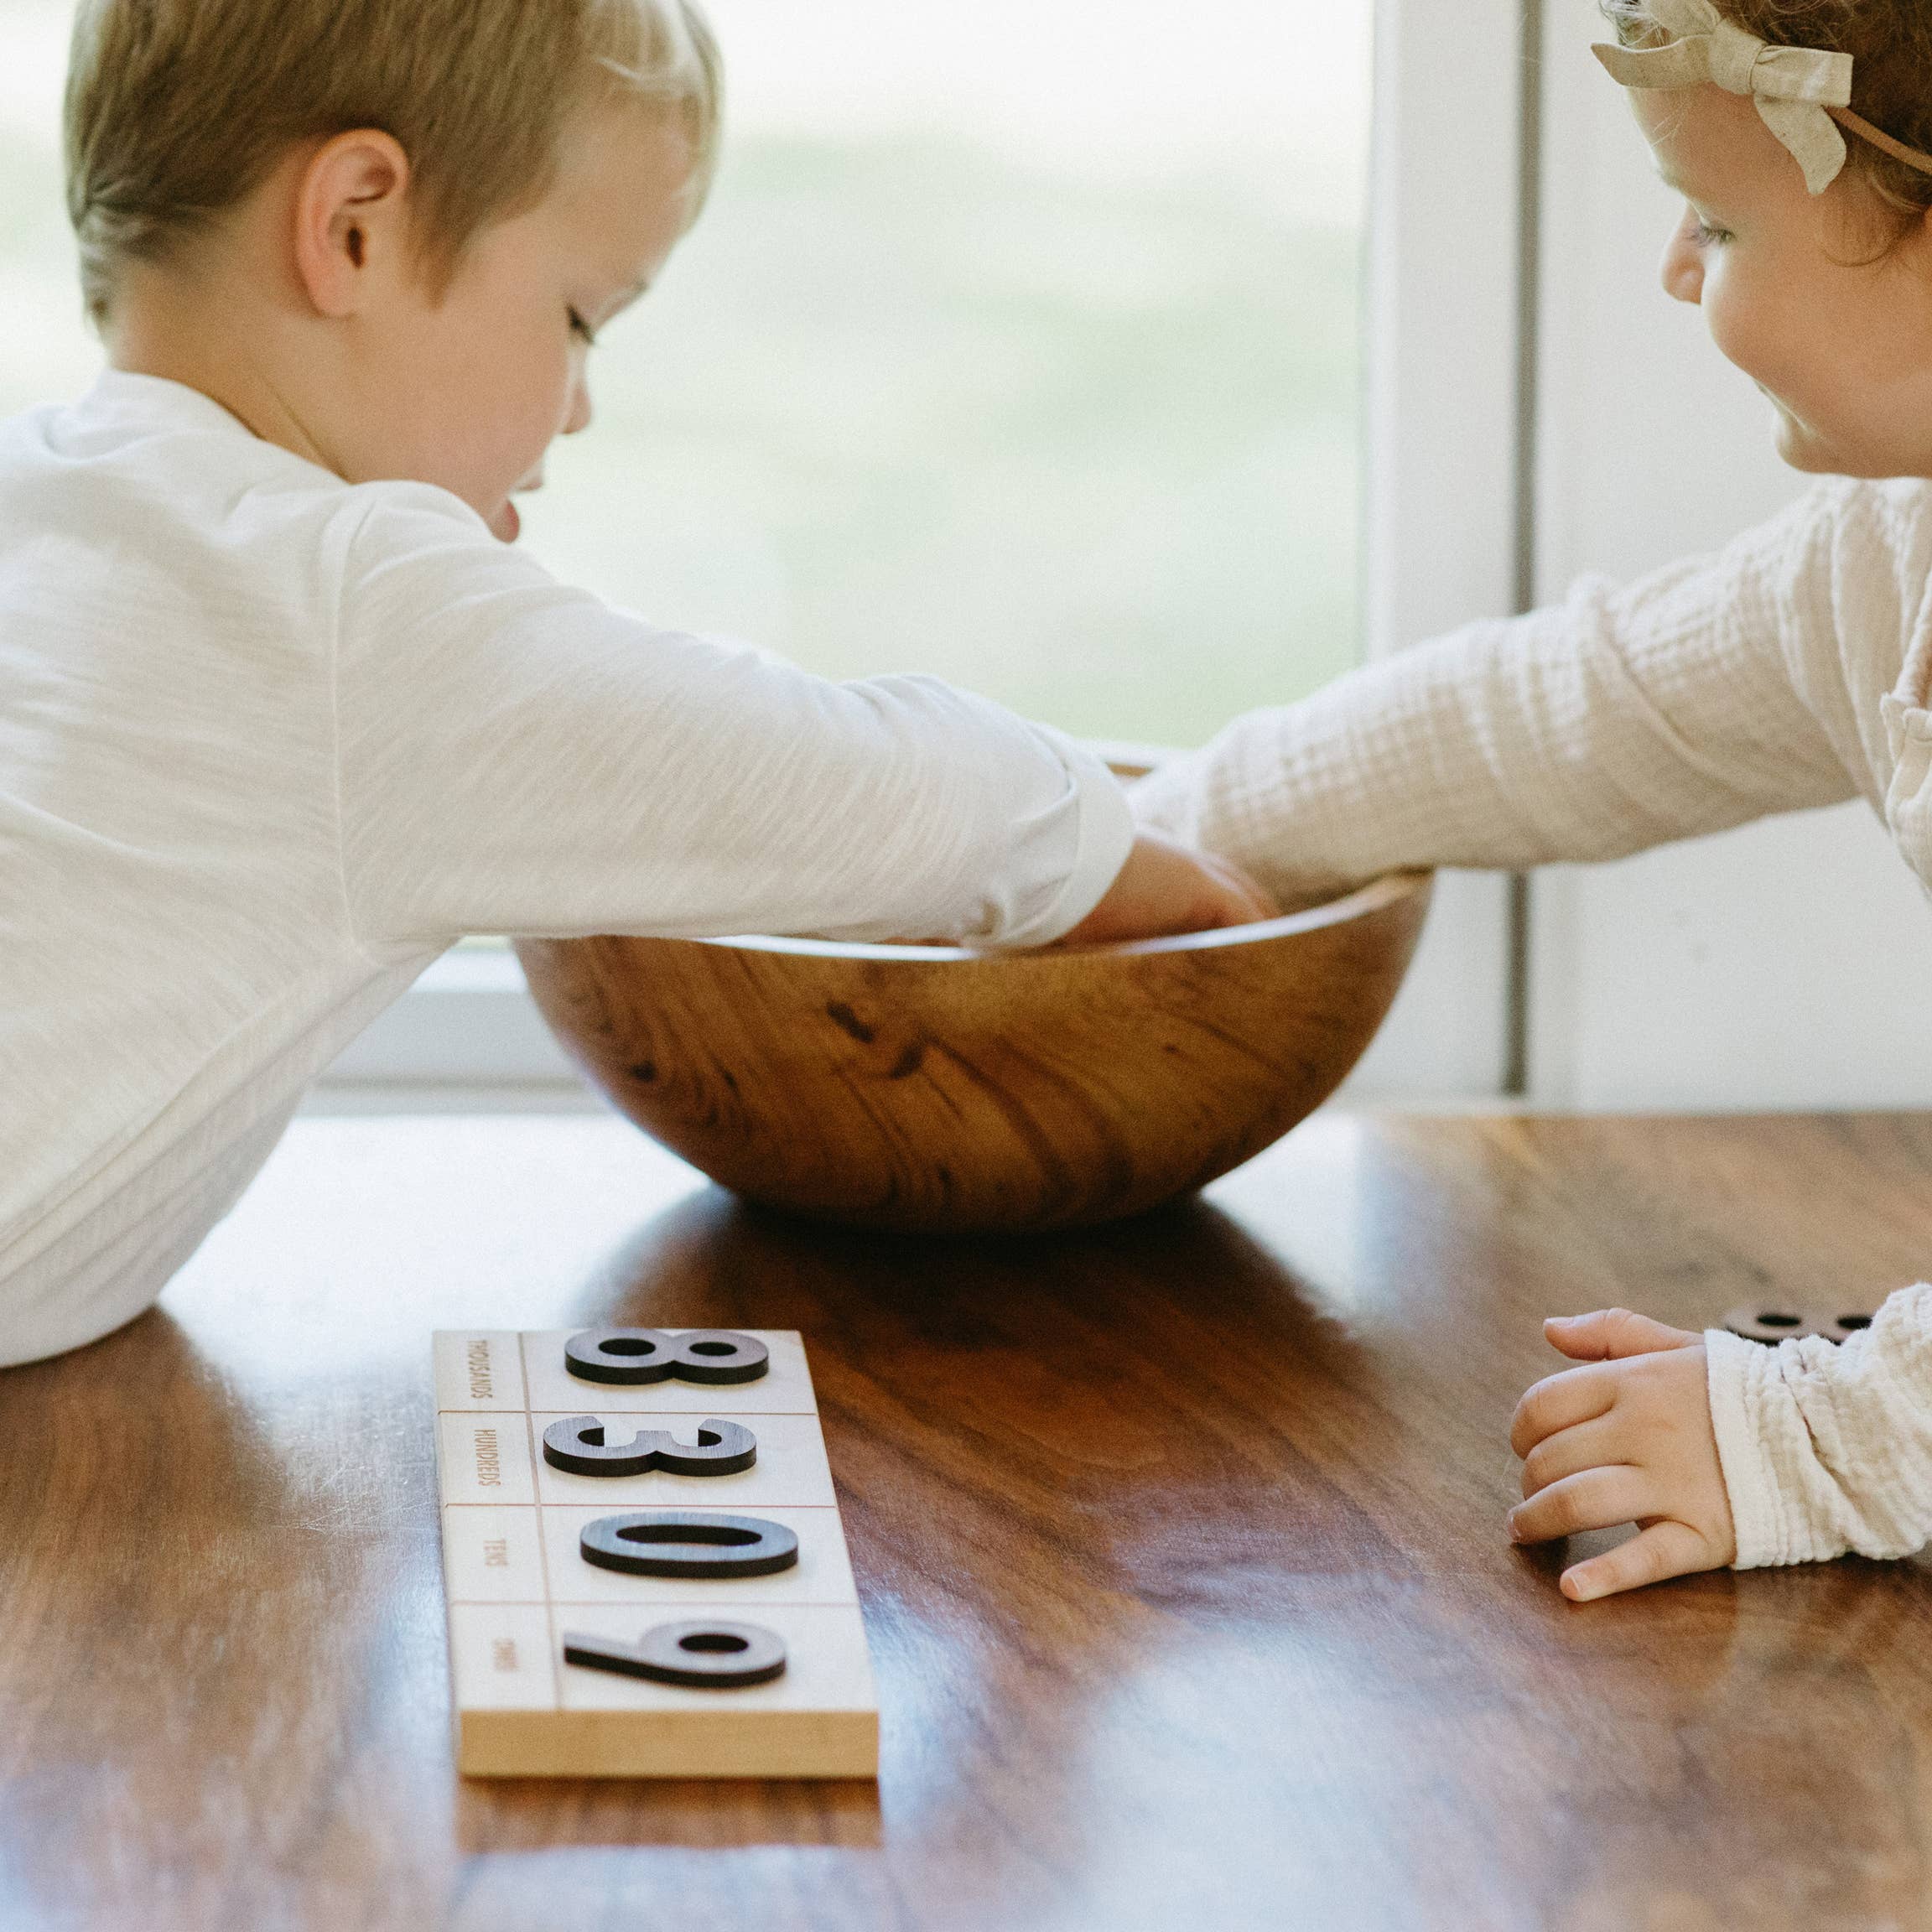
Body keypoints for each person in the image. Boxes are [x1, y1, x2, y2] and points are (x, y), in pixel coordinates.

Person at [0, 0, 1270, 1370]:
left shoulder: (47, 494)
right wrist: (1115, 853)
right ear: (354, 224)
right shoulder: (347, 602)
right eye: (580, 316)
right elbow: (851, 787)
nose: (579, 406)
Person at [1135, 0, 1932, 1602]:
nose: (1675, 268)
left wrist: (1823, 1438)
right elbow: (1576, 712)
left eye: (1716, 217)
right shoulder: (1886, 557)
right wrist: (1159, 833)